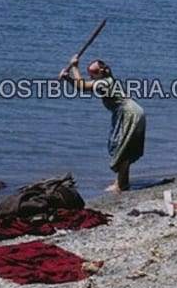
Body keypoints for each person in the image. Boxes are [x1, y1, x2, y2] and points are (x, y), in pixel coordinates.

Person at [60, 54, 146, 192]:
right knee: (125, 148)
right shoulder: (107, 79)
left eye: (93, 73)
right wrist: (68, 78)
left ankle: (119, 185)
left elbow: (82, 86)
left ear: (101, 72)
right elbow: (82, 85)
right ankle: (123, 183)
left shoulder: (104, 82)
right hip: (133, 112)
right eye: (90, 74)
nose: (92, 77)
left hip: (129, 113)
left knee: (120, 147)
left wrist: (75, 67)